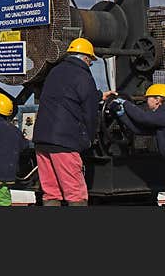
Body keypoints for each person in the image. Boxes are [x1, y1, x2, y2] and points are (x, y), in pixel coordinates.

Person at [32, 37, 110, 206]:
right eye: (91, 61)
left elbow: (66, 96)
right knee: (76, 194)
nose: (91, 65)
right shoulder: (83, 76)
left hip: (42, 141)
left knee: (51, 192)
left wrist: (98, 96)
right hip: (65, 143)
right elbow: (89, 114)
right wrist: (88, 140)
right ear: (86, 57)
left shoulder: (54, 72)